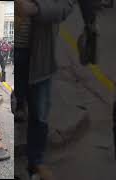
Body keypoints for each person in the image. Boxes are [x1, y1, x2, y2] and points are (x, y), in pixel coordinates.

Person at [17, 0, 77, 179]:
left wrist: (37, 9)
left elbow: (66, 6)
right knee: (16, 104)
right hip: (16, 52)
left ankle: (35, 162)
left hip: (40, 55)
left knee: (40, 113)